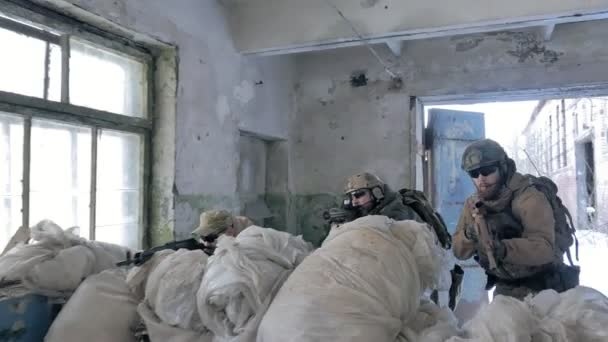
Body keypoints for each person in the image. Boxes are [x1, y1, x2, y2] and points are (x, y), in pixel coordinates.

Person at [453, 138, 570, 300]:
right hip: (506, 288)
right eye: (474, 174)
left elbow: (544, 248)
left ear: (502, 168)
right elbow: (458, 251)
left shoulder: (528, 197)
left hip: (545, 287)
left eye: (487, 171)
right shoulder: (474, 204)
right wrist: (470, 234)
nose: (481, 179)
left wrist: (503, 249)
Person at [343, 172, 419, 221]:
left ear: (376, 192)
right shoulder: (370, 207)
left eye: (358, 195)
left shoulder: (397, 210)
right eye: (351, 197)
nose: (354, 202)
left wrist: (351, 221)